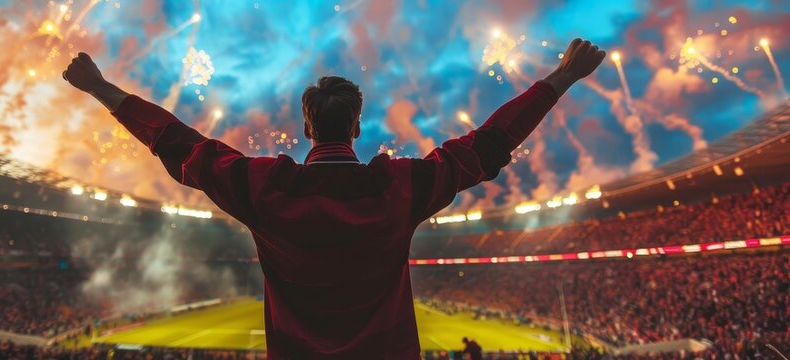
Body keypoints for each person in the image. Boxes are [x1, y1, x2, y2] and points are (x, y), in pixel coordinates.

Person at [63, 38, 605, 359]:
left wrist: (102, 89)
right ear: (359, 126)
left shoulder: (264, 189)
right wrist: (560, 77)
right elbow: (486, 145)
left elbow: (180, 142)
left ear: (305, 125)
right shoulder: (400, 188)